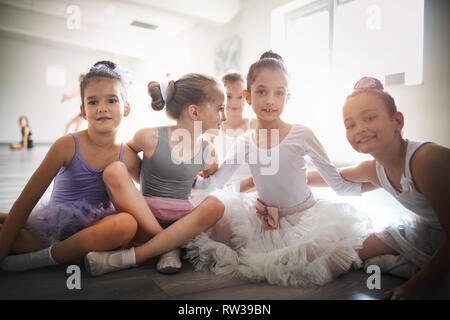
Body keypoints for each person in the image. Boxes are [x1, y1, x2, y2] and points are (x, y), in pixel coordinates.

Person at [181, 51, 373, 288]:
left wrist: (383, 180)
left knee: (331, 258)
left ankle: (386, 259)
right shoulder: (245, 142)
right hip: (262, 222)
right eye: (261, 91)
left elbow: (338, 184)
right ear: (248, 96)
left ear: (287, 97)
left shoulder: (302, 134)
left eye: (278, 92)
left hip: (307, 218)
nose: (270, 100)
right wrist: (183, 178)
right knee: (217, 228)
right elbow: (216, 184)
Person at [308, 76, 450, 299]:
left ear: (397, 121)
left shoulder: (426, 160)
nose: (360, 129)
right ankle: (411, 266)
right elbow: (335, 177)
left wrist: (415, 287)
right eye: (350, 125)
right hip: (431, 230)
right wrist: (290, 179)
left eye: (370, 118)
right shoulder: (374, 168)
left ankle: (419, 272)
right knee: (353, 251)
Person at [0, 61, 140, 272]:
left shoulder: (127, 155)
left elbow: (151, 189)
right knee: (11, 225)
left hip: (94, 229)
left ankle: (39, 258)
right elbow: (28, 198)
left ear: (126, 108)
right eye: (93, 102)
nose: (102, 107)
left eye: (111, 100)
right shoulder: (66, 145)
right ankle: (64, 252)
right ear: (83, 111)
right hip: (51, 229)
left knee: (126, 224)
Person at [83, 73, 228, 276]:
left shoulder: (210, 153)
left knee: (217, 205)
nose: (225, 116)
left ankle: (136, 256)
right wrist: (140, 179)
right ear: (194, 112)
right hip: (146, 220)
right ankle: (167, 245)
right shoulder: (149, 137)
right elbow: (126, 158)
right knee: (114, 170)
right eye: (220, 109)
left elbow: (206, 184)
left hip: (182, 226)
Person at [209, 72, 257, 190]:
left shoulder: (256, 126)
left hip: (253, 192)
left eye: (240, 96)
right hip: (222, 193)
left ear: (247, 97)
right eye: (229, 97)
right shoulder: (211, 131)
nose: (235, 102)